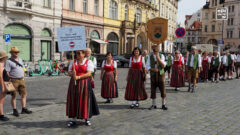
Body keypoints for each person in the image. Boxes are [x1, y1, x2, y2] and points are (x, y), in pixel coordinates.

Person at [67, 50, 100, 127]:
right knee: (73, 100)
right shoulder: (73, 61)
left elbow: (89, 73)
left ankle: (86, 118)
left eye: (79, 53)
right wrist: (72, 73)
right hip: (73, 84)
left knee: (84, 100)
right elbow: (69, 72)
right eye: (77, 53)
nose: (77, 55)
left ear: (84, 54)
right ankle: (73, 119)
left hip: (84, 83)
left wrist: (78, 77)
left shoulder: (88, 62)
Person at [5, 47, 32, 117]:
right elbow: (7, 71)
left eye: (17, 52)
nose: (17, 53)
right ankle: (14, 110)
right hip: (14, 80)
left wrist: (23, 77)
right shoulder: (8, 61)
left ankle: (24, 108)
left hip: (21, 80)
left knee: (24, 94)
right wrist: (10, 79)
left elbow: (22, 68)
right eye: (15, 52)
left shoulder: (20, 59)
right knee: (14, 95)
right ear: (11, 53)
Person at [146, 45, 168, 110]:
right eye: (154, 51)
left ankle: (163, 104)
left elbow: (164, 65)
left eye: (157, 51)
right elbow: (147, 66)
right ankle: (153, 104)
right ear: (153, 51)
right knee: (153, 89)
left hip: (161, 74)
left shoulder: (162, 56)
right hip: (153, 75)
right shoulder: (149, 57)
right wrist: (153, 69)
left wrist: (158, 59)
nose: (156, 52)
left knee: (163, 89)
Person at [0, 50, 9, 121]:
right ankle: (1, 115)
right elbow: (0, 76)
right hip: (1, 85)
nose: (7, 57)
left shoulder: (2, 63)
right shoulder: (0, 64)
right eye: (6, 56)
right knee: (1, 101)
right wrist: (3, 87)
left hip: (3, 84)